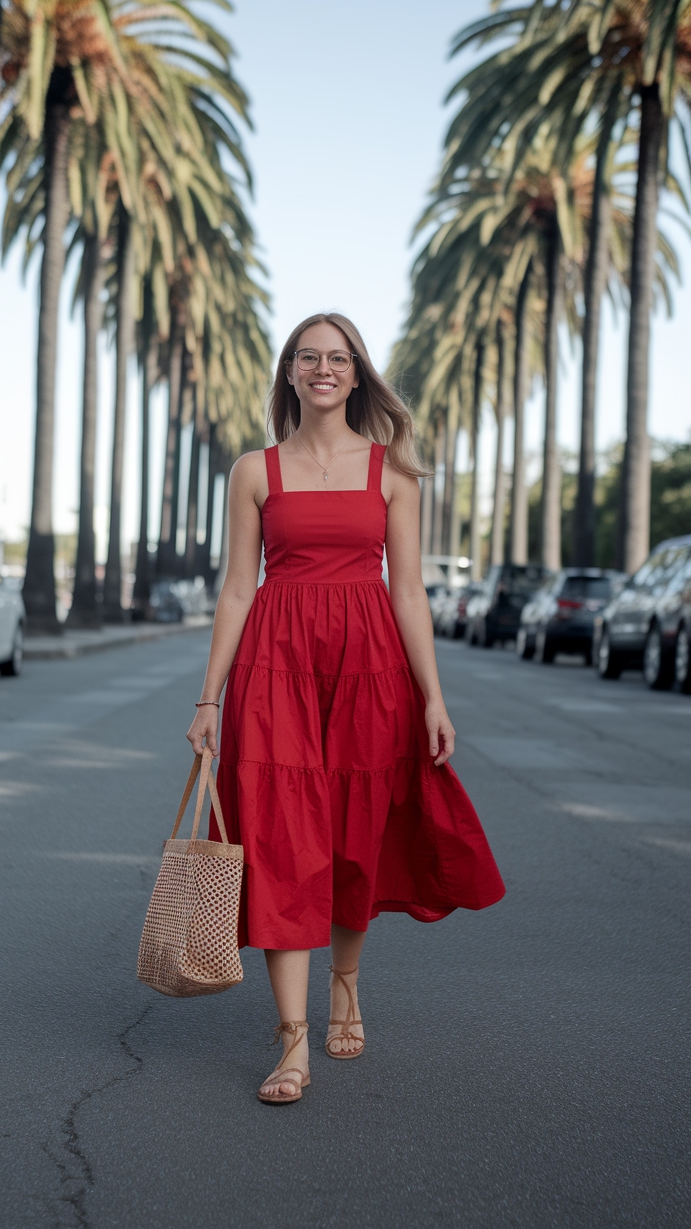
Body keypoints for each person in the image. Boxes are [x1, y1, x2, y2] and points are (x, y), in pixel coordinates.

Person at [187, 312, 504, 1104]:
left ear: (357, 373)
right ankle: (291, 1041)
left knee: (355, 835)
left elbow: (408, 592)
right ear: (289, 372)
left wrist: (433, 696)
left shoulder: (391, 473)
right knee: (280, 838)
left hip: (368, 665)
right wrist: (208, 697)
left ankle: (347, 983)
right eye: (308, 357)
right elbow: (236, 588)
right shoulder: (254, 471)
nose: (322, 369)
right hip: (277, 664)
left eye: (338, 358)